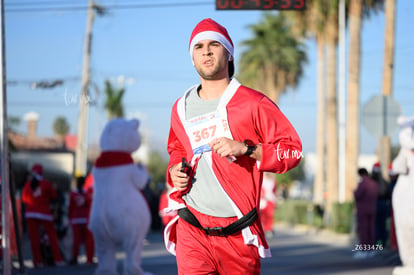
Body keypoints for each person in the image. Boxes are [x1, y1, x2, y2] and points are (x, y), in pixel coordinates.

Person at [164, 18, 302, 274]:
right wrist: (174, 171)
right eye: (199, 46)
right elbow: (177, 150)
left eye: (214, 44)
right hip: (192, 229)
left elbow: (293, 151)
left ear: (228, 53)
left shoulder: (253, 103)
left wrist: (248, 149)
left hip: (238, 235)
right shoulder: (180, 108)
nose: (206, 50)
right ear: (192, 58)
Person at [21, 163, 65, 267]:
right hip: (45, 213)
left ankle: (37, 261)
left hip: (31, 213)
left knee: (34, 239)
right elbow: (54, 196)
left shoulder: (28, 184)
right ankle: (58, 259)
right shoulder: (46, 183)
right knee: (52, 237)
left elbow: (24, 198)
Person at [68, 176, 94, 265]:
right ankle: (89, 258)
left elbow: (70, 207)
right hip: (85, 218)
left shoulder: (73, 193)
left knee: (76, 240)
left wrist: (69, 218)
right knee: (88, 240)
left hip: (75, 219)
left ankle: (75, 257)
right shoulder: (87, 192)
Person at [353, 168, 379, 259]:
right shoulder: (374, 184)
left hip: (363, 210)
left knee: (363, 230)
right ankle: (371, 249)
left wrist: (354, 192)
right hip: (372, 208)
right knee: (371, 230)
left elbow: (357, 195)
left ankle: (364, 250)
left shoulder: (363, 184)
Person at [371, 162, 391, 247]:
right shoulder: (384, 182)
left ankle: (378, 243)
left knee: (377, 226)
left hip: (376, 205)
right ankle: (382, 243)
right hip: (384, 205)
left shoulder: (373, 182)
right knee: (382, 225)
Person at [260, 172, 277, 238]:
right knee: (264, 216)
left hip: (270, 200)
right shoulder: (262, 180)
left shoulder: (272, 181)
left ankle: (269, 229)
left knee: (270, 215)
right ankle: (264, 229)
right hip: (263, 201)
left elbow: (274, 191)